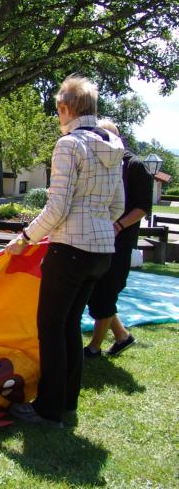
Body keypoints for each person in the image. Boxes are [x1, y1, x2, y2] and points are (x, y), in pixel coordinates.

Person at [4, 75, 124, 427]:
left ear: (66, 108)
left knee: (51, 327)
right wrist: (96, 224)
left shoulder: (69, 145)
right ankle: (67, 400)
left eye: (58, 111)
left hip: (70, 250)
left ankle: (48, 409)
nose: (58, 117)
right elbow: (118, 206)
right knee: (70, 324)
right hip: (101, 252)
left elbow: (56, 207)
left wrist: (25, 238)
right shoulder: (113, 145)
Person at [84, 119, 152, 358]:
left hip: (120, 242)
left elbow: (143, 207)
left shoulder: (135, 166)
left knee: (105, 292)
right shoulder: (102, 164)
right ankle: (123, 336)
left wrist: (118, 226)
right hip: (98, 237)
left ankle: (94, 347)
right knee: (95, 291)